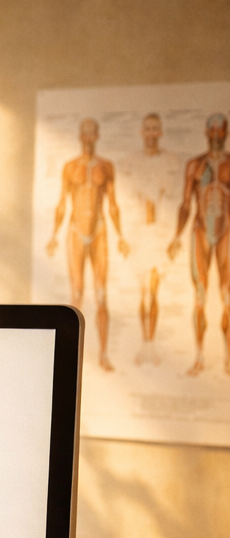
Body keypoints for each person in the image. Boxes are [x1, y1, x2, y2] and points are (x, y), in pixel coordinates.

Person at [46, 118, 130, 371]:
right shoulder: (70, 167)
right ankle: (70, 359)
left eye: (93, 134)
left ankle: (103, 355)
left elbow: (113, 203)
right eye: (86, 134)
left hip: (99, 230)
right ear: (80, 137)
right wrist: (53, 234)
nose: (89, 138)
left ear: (97, 136)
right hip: (75, 230)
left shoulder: (106, 166)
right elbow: (62, 203)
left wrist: (121, 235)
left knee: (101, 294)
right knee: (77, 294)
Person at [168, 112, 230, 375]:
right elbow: (185, 204)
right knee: (201, 296)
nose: (216, 134)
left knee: (228, 295)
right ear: (206, 133)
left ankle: (227, 357)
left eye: (220, 130)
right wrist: (176, 236)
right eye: (212, 130)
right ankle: (200, 356)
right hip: (201, 230)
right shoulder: (194, 165)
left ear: (225, 133)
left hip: (227, 231)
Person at [119, 113, 182, 364]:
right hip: (138, 236)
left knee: (154, 292)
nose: (151, 133)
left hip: (158, 235)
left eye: (156, 129)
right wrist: (124, 237)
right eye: (148, 129)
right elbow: (124, 202)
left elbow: (175, 202)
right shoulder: (130, 162)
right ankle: (143, 345)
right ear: (142, 132)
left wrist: (174, 237)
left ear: (161, 132)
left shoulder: (170, 161)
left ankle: (151, 344)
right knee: (142, 291)